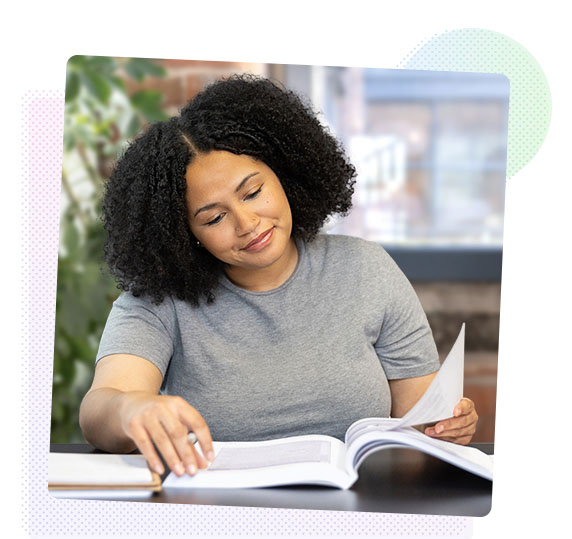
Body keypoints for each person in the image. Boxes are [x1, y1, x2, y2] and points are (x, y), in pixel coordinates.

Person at [79, 74, 478, 479]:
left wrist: (447, 426)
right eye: (215, 217)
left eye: (253, 192)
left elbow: (421, 425)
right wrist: (131, 410)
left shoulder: (367, 270)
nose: (247, 223)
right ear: (184, 235)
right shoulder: (161, 301)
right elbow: (99, 410)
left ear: (284, 174)